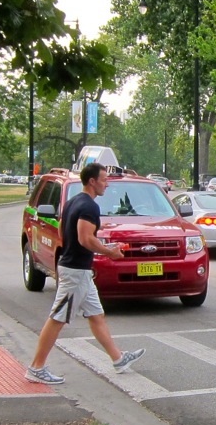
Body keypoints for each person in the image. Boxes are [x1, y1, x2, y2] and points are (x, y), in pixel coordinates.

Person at [26, 162, 145, 384]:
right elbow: (85, 238)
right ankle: (36, 367)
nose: (106, 184)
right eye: (103, 180)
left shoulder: (72, 202)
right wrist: (109, 252)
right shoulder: (90, 207)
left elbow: (64, 230)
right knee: (57, 318)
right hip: (75, 273)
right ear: (92, 181)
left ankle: (118, 359)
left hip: (78, 270)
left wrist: (93, 247)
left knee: (96, 315)